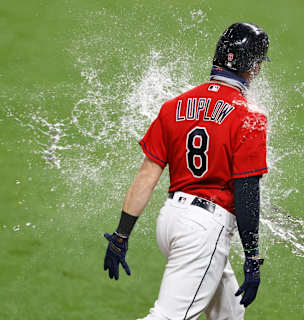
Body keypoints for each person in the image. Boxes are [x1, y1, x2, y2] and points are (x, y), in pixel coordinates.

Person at [103, 22, 270, 320]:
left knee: (229, 314)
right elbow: (246, 191)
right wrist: (253, 256)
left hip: (170, 223)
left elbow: (147, 176)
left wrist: (121, 234)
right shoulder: (249, 116)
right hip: (203, 230)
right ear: (253, 67)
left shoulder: (174, 106)